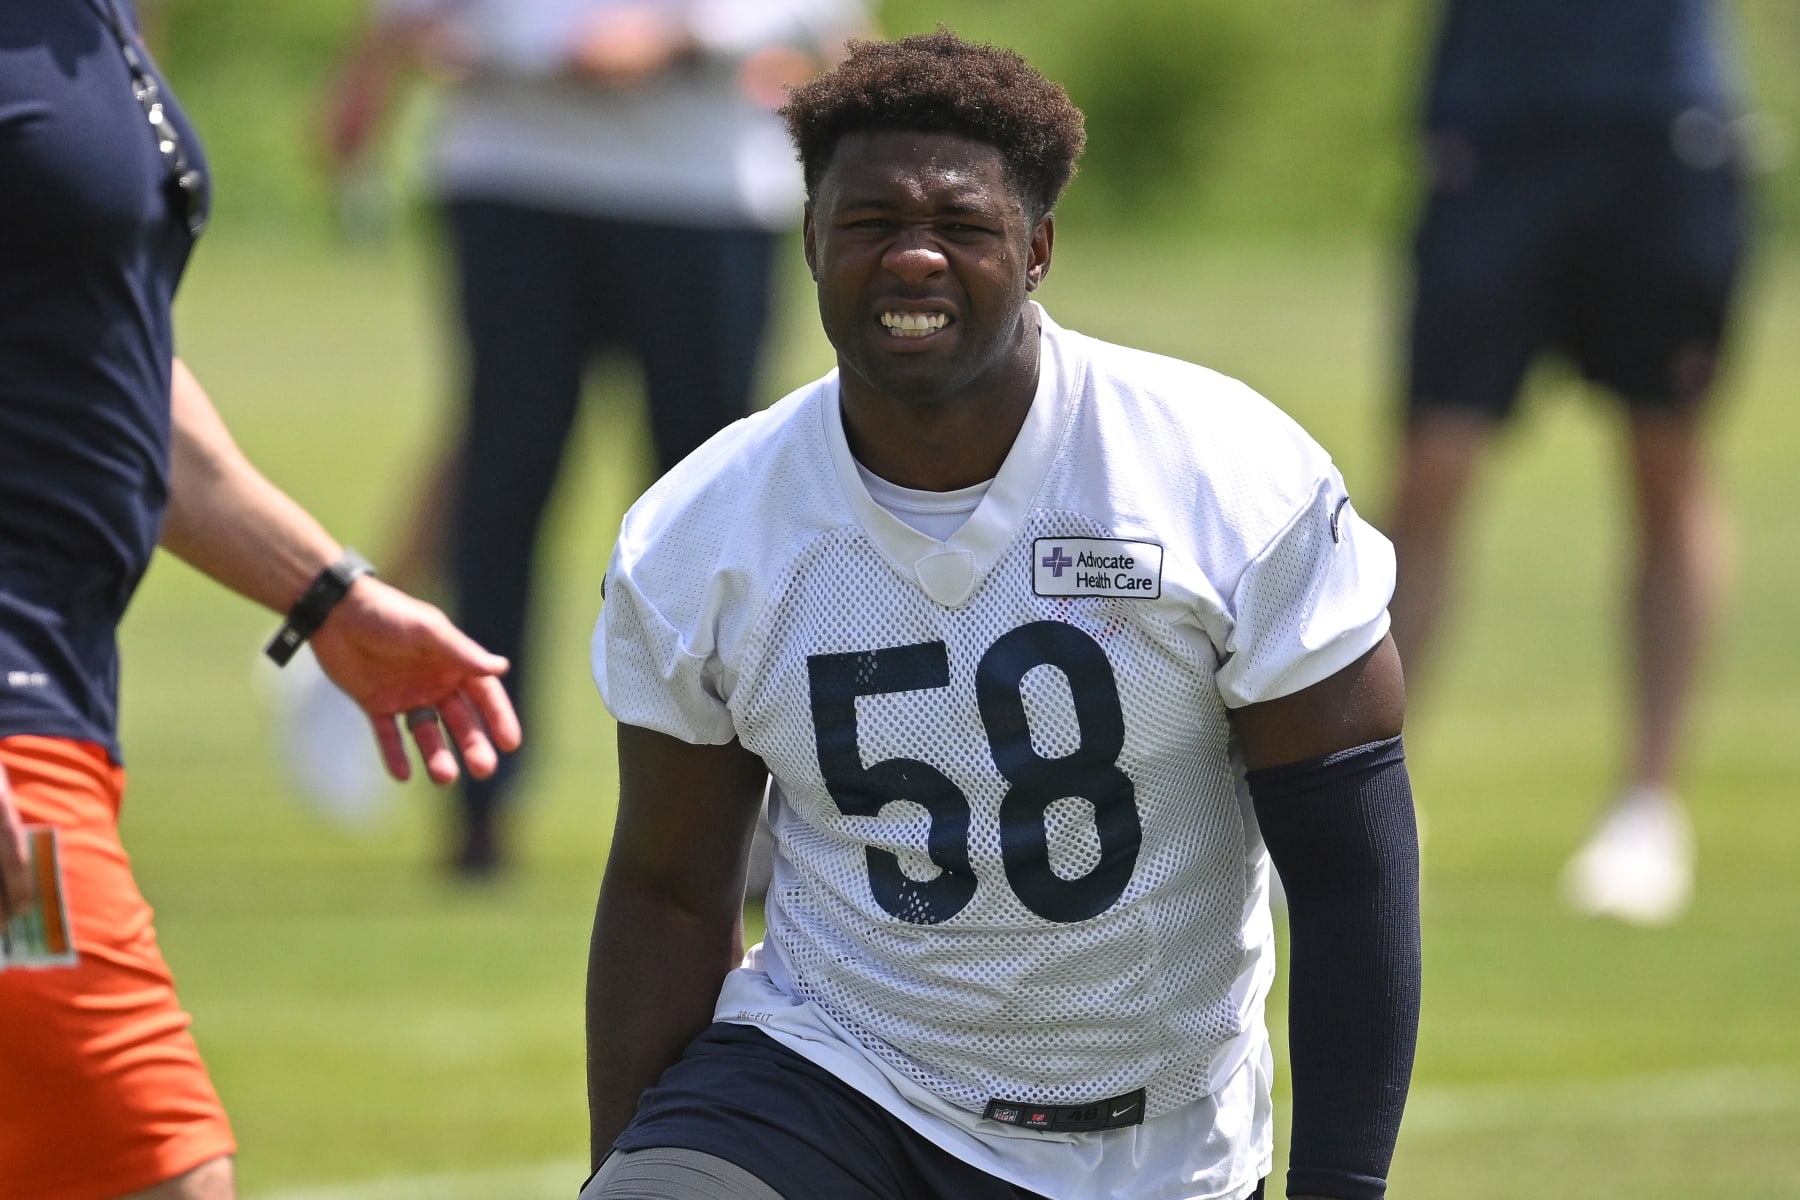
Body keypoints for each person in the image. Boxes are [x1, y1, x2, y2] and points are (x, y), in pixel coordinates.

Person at [583, 31, 1421, 1200]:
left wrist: (1341, 1184)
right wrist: (630, 1165)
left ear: (1035, 250)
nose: (913, 257)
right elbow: (671, 888)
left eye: (963, 227)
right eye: (870, 223)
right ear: (812, 241)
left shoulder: (1225, 478)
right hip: (834, 1074)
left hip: (1147, 1131)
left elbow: (1352, 872)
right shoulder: (703, 530)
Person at [0, 3, 522, 1198]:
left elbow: (108, 363)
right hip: (14, 731)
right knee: (150, 1168)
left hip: (57, 698)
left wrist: (329, 595)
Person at [324, 0, 869, 876]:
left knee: (723, 512)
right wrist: (381, 68)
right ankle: (480, 800)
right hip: (516, 172)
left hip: (701, 187)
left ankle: (746, 811)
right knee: (503, 485)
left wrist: (682, 37)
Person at [1387, 0, 1748, 925]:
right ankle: (1371, 783)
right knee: (1433, 466)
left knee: (1666, 469)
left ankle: (1647, 807)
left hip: (1662, 131)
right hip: (1492, 128)